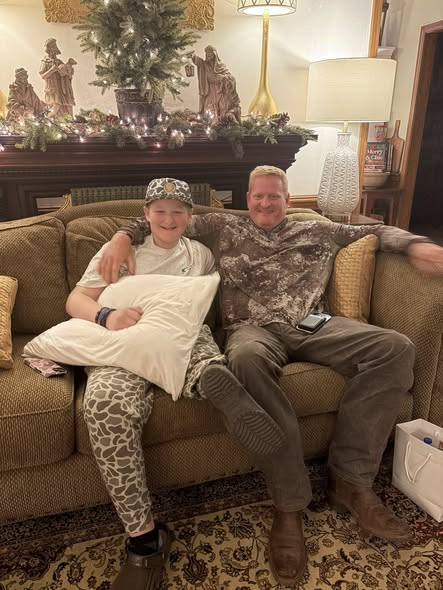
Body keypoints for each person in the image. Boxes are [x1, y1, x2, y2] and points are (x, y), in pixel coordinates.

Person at [98, 166, 443, 586]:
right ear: (247, 199)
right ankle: (289, 503)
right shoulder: (223, 226)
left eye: (274, 196)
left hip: (313, 326)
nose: (265, 203)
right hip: (251, 331)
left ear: (287, 199)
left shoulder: (318, 229)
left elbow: (375, 231)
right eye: (258, 196)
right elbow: (167, 217)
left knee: (395, 348)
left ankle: (351, 481)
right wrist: (121, 237)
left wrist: (417, 244)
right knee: (244, 360)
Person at [66, 177, 285, 590]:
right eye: (160, 211)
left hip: (179, 336)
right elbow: (76, 300)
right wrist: (106, 316)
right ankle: (144, 541)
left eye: (178, 212)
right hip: (123, 343)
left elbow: (206, 305)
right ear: (145, 215)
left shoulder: (200, 254)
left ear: (190, 216)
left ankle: (214, 382)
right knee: (103, 405)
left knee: (202, 351)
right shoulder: (120, 250)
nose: (169, 219)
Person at [192, 45, 241, 123]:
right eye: (207, 53)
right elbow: (199, 61)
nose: (208, 55)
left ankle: (223, 122)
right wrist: (193, 56)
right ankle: (211, 125)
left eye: (210, 53)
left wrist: (222, 77)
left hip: (220, 92)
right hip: (210, 91)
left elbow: (230, 77)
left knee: (223, 109)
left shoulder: (221, 66)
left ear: (215, 54)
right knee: (209, 112)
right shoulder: (204, 65)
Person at [39, 38, 76, 116]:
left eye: (55, 46)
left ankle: (68, 120)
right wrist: (52, 70)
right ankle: (49, 119)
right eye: (52, 46)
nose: (54, 49)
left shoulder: (59, 62)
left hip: (62, 90)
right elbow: (43, 76)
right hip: (52, 89)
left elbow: (66, 75)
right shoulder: (45, 62)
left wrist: (68, 72)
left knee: (66, 107)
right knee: (55, 106)